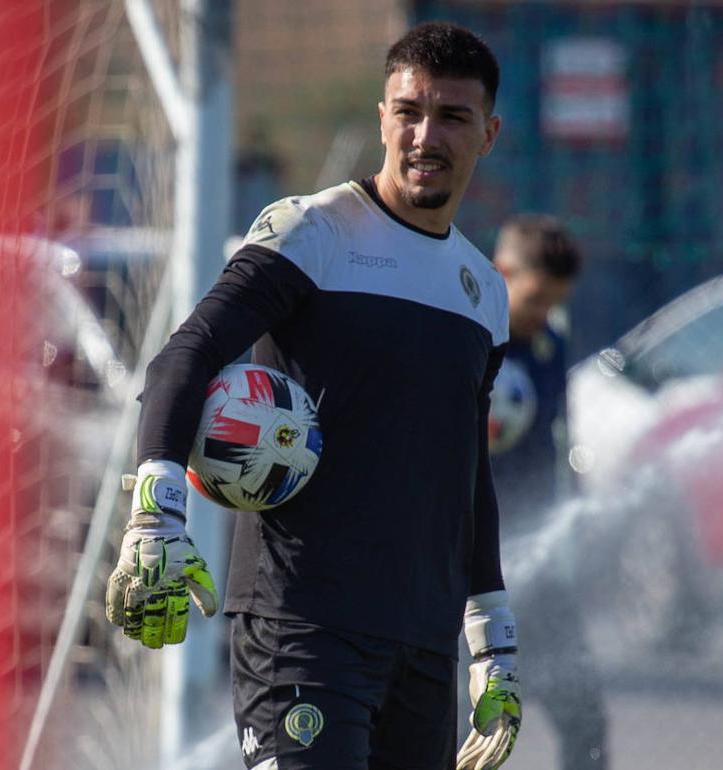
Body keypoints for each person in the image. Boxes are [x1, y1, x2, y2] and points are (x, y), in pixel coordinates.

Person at [106, 22, 521, 770]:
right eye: (409, 112)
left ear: (487, 133)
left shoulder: (483, 293)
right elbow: (185, 357)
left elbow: (469, 475)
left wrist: (492, 640)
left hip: (422, 646)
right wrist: (155, 509)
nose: (427, 136)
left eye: (452, 117)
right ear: (382, 118)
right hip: (302, 626)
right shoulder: (314, 233)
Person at [478, 214, 608, 769]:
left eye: (554, 301)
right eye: (533, 298)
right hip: (467, 569)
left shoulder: (551, 346)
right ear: (499, 273)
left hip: (536, 561)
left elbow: (557, 443)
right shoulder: (463, 341)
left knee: (586, 719)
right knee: (456, 718)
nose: (540, 314)